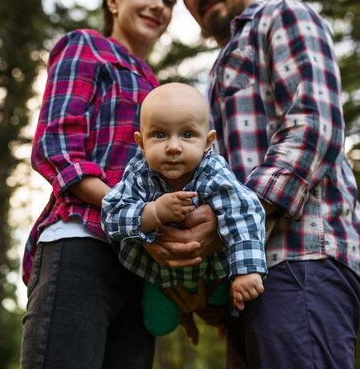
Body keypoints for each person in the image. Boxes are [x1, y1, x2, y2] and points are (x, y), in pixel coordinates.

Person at [158, 0, 360, 367]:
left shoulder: (282, 16)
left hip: (301, 258)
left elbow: (314, 125)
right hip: (250, 280)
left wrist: (227, 224)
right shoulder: (218, 69)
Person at [19, 0, 177, 369]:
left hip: (140, 265)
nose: (158, 5)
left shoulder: (159, 89)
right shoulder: (86, 46)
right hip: (81, 244)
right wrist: (131, 212)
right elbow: (56, 148)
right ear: (113, 0)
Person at [101, 82, 267, 339]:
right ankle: (183, 317)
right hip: (160, 274)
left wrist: (247, 270)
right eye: (159, 135)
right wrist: (153, 213)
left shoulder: (213, 171)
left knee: (236, 309)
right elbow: (111, 215)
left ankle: (217, 317)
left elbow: (244, 211)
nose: (173, 147)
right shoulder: (139, 173)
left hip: (214, 272)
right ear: (141, 142)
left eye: (187, 134)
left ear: (208, 142)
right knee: (158, 325)